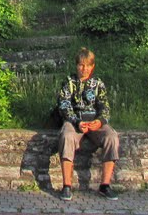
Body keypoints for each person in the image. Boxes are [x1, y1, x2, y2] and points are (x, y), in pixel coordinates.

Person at [56, 47, 120, 201]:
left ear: (92, 67)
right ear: (76, 65)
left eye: (87, 66)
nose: (84, 69)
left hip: (93, 121)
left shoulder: (98, 84)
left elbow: (105, 107)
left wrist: (99, 121)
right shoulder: (69, 82)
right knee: (67, 136)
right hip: (75, 120)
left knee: (112, 137)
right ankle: (67, 186)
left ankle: (105, 185)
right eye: (81, 65)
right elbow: (63, 105)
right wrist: (77, 122)